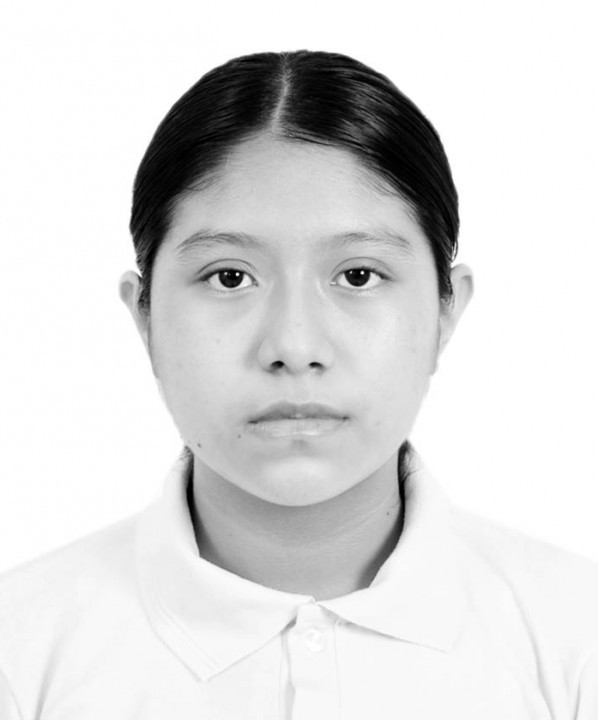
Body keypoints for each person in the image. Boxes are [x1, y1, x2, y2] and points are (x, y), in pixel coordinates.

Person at [0, 49, 597, 719]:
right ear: (144, 315)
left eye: (358, 275)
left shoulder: (578, 645)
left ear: (445, 309)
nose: (294, 346)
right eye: (230, 277)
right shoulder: (19, 658)